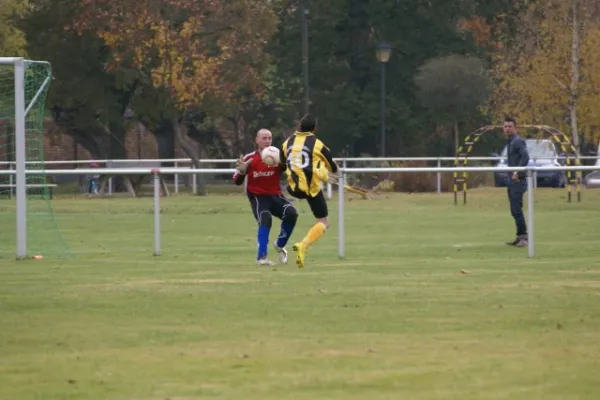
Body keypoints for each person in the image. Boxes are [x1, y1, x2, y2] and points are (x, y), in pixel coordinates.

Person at [280, 114, 338, 268]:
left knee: (308, 176)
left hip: (292, 188)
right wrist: (323, 171)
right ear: (314, 129)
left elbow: (282, 164)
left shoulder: (287, 143)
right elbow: (333, 168)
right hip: (310, 189)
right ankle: (303, 245)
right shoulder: (317, 144)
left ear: (299, 127)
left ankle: (302, 246)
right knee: (323, 222)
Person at [233, 129, 298, 266]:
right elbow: (237, 180)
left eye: (269, 138)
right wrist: (242, 172)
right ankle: (262, 257)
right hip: (258, 197)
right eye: (264, 138)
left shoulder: (278, 156)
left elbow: (291, 170)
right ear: (257, 140)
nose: (267, 141)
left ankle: (280, 245)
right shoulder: (250, 158)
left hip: (275, 195)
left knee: (292, 213)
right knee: (265, 218)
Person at [503, 117, 530, 247]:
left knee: (516, 210)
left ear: (515, 127)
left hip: (518, 180)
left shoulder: (518, 141)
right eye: (505, 126)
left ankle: (524, 238)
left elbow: (526, 156)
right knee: (514, 210)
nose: (507, 128)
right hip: (511, 181)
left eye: (509, 126)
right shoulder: (510, 142)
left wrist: (516, 172)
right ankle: (520, 236)